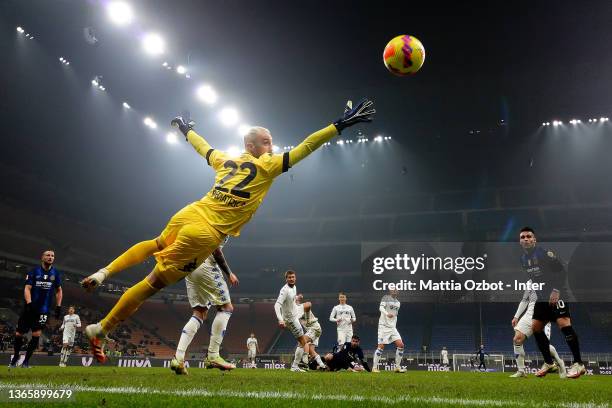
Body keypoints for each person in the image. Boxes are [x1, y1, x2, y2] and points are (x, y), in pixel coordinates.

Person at [80, 99, 375, 363]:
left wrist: (186, 131)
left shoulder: (225, 160)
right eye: (266, 142)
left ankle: (104, 274)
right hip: (206, 233)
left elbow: (203, 148)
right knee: (152, 283)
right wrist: (340, 125)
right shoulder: (269, 165)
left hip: (190, 211)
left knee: (156, 242)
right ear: (252, 146)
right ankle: (102, 328)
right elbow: (307, 145)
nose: (271, 147)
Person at [518, 227, 586, 379]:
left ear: (534, 240)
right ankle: (549, 363)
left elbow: (561, 271)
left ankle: (578, 363)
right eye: (523, 237)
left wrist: (556, 290)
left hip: (557, 293)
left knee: (564, 323)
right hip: (542, 297)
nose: (526, 239)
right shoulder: (523, 259)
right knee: (536, 327)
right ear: (520, 241)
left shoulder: (545, 253)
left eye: (529, 236)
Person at [170, 241, 239, 375]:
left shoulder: (197, 220)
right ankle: (213, 355)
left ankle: (178, 358)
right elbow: (215, 249)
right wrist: (229, 273)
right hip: (206, 266)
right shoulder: (224, 221)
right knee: (226, 308)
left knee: (199, 312)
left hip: (189, 266)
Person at [10, 250, 62, 368]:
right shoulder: (34, 271)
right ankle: (16, 357)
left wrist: (58, 306)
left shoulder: (56, 273)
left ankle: (26, 361)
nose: (50, 257)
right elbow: (27, 288)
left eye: (52, 256)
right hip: (30, 308)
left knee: (36, 335)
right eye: (48, 255)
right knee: (18, 334)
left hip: (43, 310)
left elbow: (59, 290)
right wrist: (29, 303)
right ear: (42, 257)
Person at [510, 278, 565, 378]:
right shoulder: (530, 282)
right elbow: (525, 300)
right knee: (517, 339)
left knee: (543, 344)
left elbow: (556, 294)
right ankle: (521, 371)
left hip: (542, 312)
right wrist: (516, 316)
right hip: (530, 312)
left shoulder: (548, 277)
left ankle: (559, 362)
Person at [274, 270, 311, 372]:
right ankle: (297, 365)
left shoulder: (294, 287)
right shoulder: (284, 290)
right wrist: (280, 320)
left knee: (308, 304)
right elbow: (277, 305)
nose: (291, 279)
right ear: (286, 279)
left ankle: (300, 363)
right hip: (291, 319)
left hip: (296, 312)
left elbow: (292, 300)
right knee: (303, 341)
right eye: (289, 277)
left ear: (295, 278)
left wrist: (297, 298)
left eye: (293, 277)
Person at [372, 289, 405, 373]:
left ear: (398, 292)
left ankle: (397, 367)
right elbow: (381, 308)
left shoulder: (398, 303)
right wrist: (387, 314)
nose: (394, 291)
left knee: (401, 345)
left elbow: (395, 315)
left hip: (392, 327)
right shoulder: (385, 298)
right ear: (390, 291)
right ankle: (374, 368)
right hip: (383, 326)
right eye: (393, 290)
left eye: (396, 290)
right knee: (381, 347)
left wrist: (394, 325)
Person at [295, 294, 326, 370]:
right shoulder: (294, 312)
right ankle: (322, 365)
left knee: (302, 341)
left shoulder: (302, 306)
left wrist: (308, 319)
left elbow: (309, 304)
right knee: (311, 351)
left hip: (314, 328)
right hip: (314, 330)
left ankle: (304, 362)